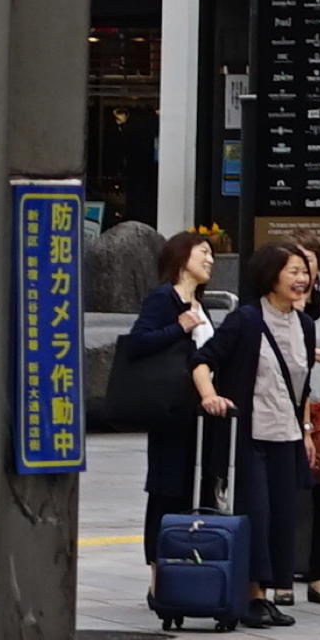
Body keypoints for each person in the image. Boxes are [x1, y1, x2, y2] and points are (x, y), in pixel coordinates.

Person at [194, 244, 320, 631]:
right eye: (293, 271)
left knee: (284, 516)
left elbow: (301, 387)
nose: (302, 279)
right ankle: (251, 596)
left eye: (305, 272)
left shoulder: (306, 325)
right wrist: (210, 396)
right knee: (256, 513)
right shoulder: (246, 320)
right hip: (249, 434)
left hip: (287, 435)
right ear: (271, 276)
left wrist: (307, 430)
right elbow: (202, 360)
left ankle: (268, 593)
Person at [127, 230, 233, 558]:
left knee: (196, 487)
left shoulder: (201, 305)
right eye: (203, 252)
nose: (210, 259)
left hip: (202, 414)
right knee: (166, 489)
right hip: (172, 412)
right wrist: (179, 327)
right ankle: (158, 571)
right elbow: (137, 342)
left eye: (212, 254)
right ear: (181, 257)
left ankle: (187, 562)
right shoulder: (164, 298)